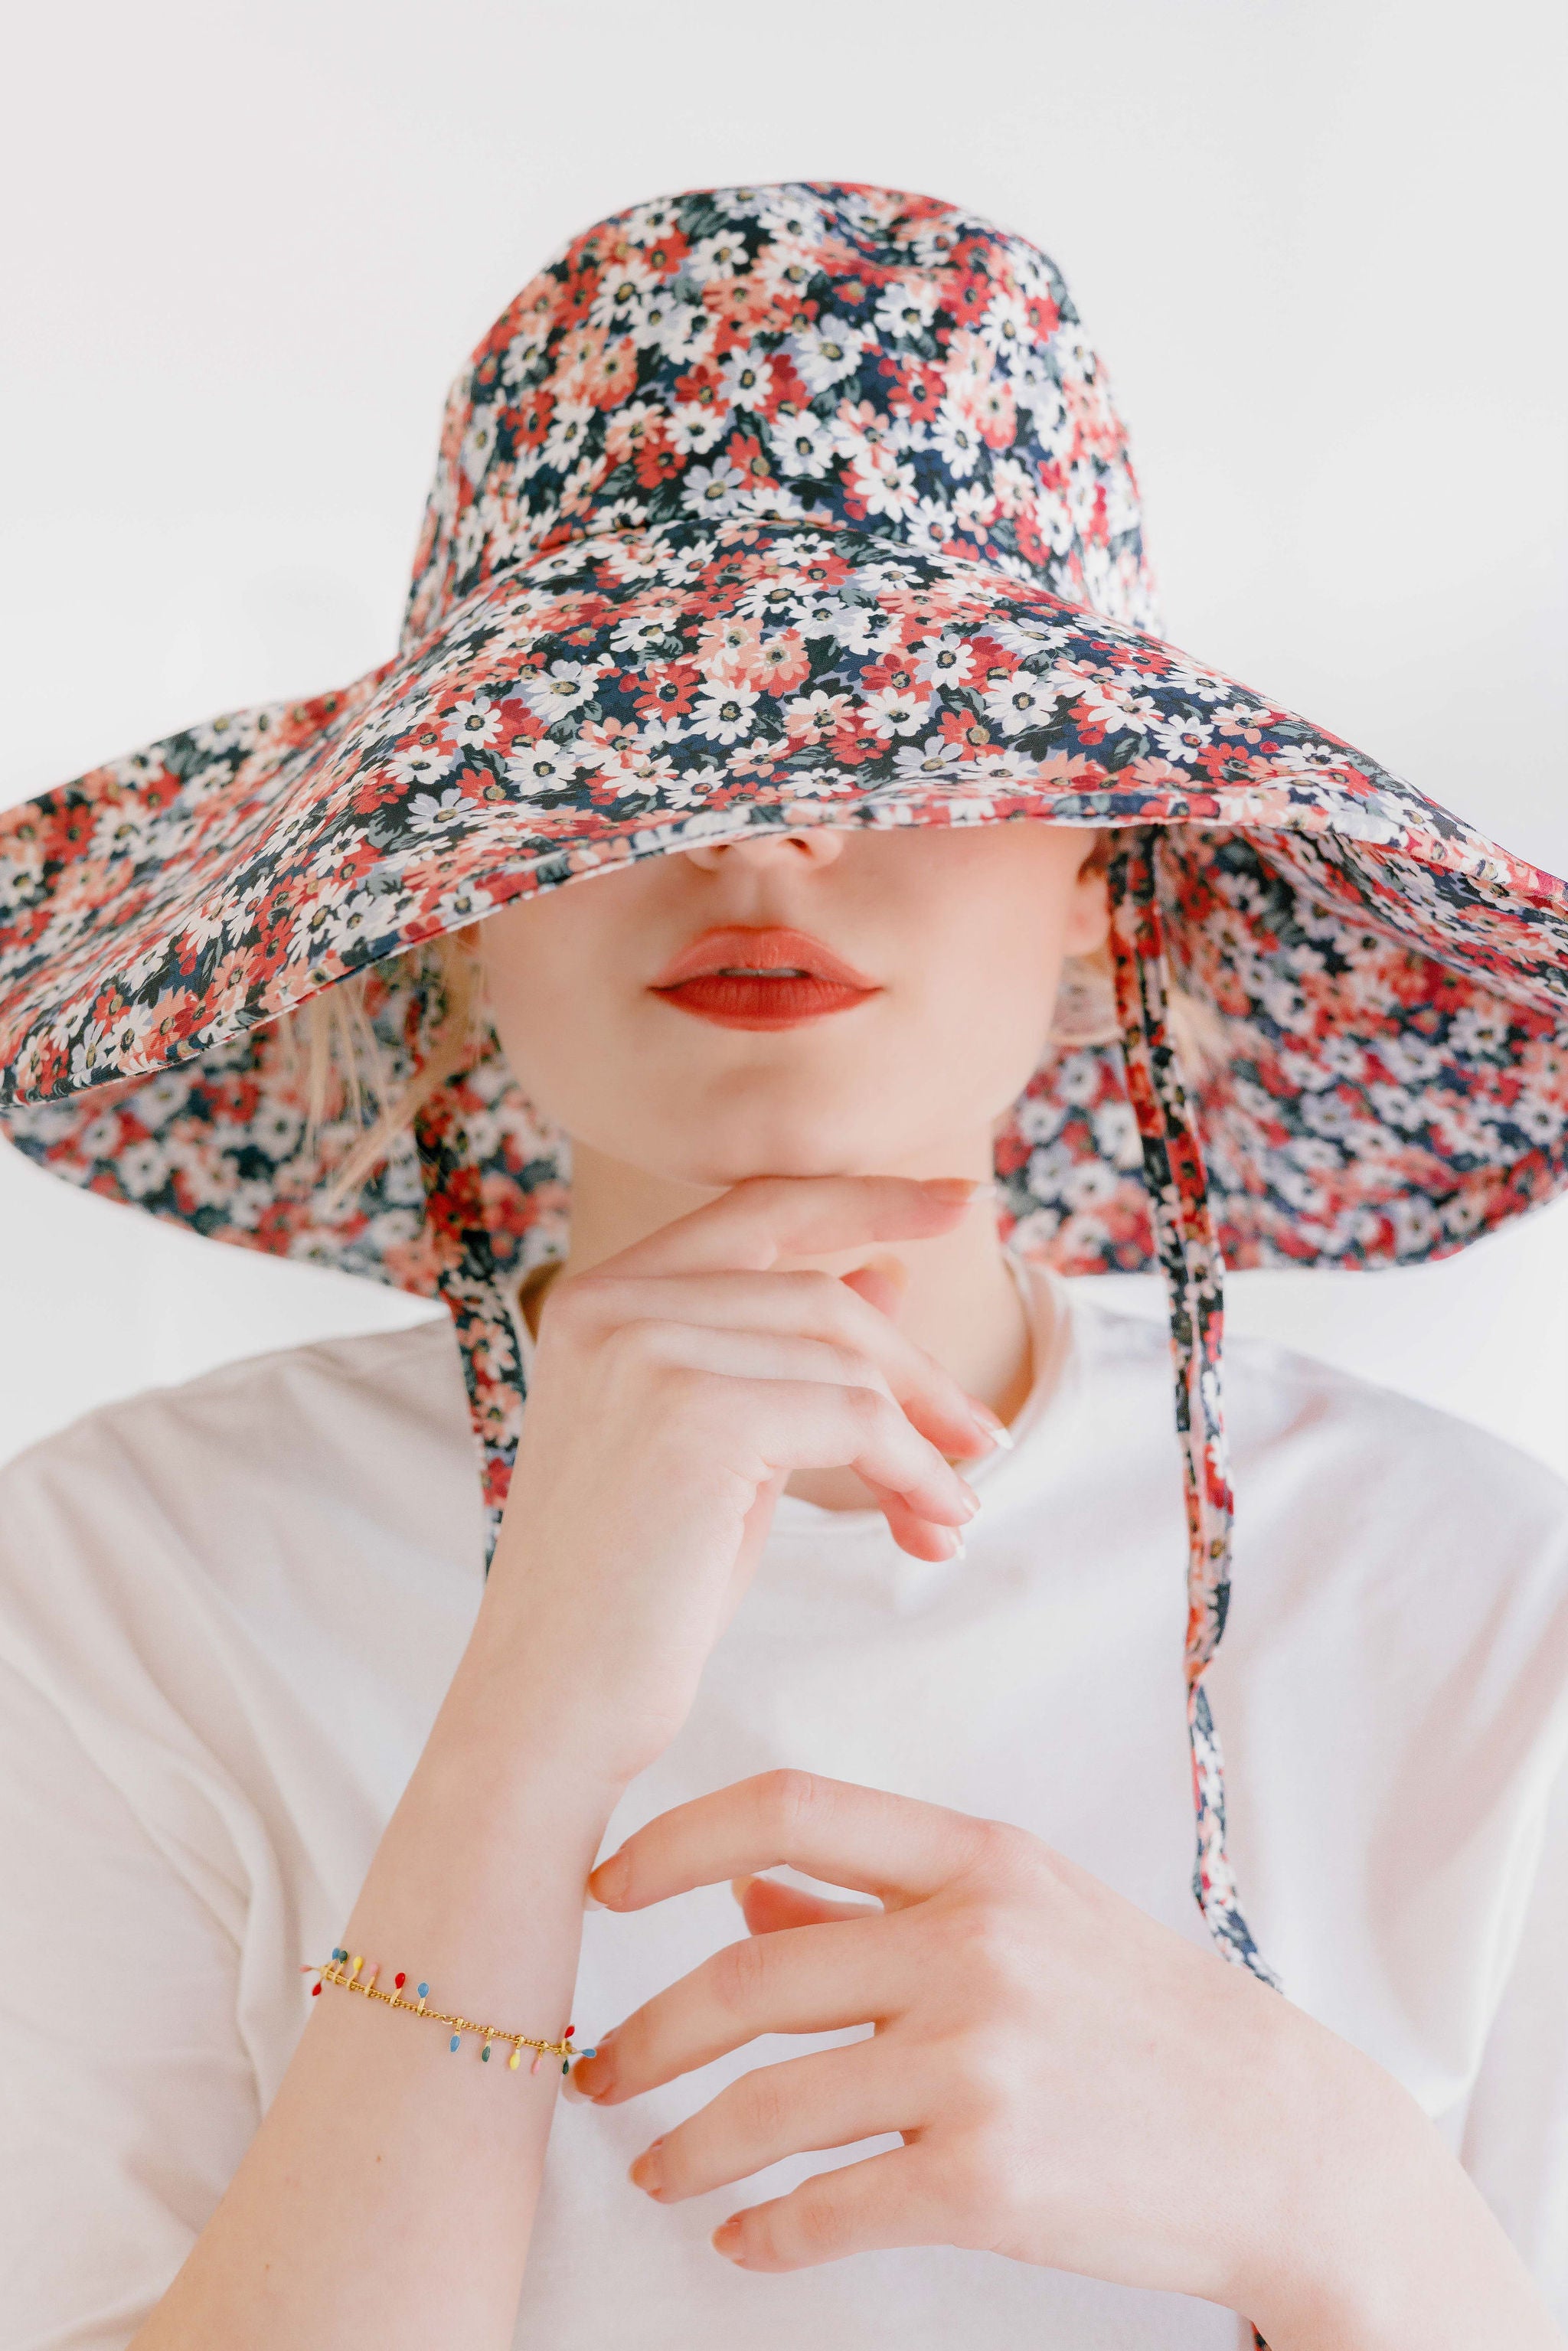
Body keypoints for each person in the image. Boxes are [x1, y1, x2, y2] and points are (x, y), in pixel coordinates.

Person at [1, 181, 1566, 2351]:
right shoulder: (122, 1576)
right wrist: (525, 1728)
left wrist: (1333, 2194)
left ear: (1110, 869)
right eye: (618, 755)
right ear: (441, 905)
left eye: (903, 740)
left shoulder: (1483, 1600)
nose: (763, 839)